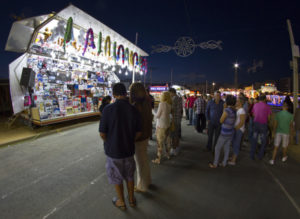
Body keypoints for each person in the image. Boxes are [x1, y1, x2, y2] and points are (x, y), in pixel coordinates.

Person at [99, 83, 142, 210]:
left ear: (114, 94)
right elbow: (139, 132)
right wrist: (129, 140)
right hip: (129, 151)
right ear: (125, 93)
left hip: (114, 151)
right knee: (129, 175)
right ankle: (132, 200)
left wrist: (111, 141)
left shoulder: (107, 109)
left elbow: (102, 133)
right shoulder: (134, 109)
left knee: (116, 176)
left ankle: (121, 202)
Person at [129, 83, 153, 192]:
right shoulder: (147, 102)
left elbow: (134, 123)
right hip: (146, 134)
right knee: (144, 160)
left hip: (139, 136)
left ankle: (142, 186)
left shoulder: (135, 105)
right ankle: (147, 181)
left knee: (139, 162)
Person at [209, 95, 236, 168]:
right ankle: (224, 163)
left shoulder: (227, 110)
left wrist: (224, 108)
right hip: (230, 132)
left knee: (217, 148)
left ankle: (215, 163)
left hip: (224, 132)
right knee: (226, 148)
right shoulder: (234, 110)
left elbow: (221, 120)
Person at [152, 91, 172, 164]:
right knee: (167, 141)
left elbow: (158, 116)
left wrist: (153, 111)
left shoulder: (161, 104)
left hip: (161, 126)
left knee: (159, 143)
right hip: (167, 125)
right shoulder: (169, 105)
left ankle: (158, 159)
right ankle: (168, 154)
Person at [250, 95, 272, 160]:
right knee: (263, 142)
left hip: (256, 124)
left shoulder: (255, 105)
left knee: (254, 140)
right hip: (263, 125)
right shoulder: (267, 106)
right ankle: (260, 156)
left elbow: (253, 114)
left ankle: (252, 155)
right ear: (265, 99)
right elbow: (269, 117)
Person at [228, 97, 246, 165]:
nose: (236, 102)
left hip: (239, 130)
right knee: (234, 143)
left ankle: (234, 160)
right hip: (236, 129)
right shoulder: (238, 109)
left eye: (237, 101)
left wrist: (236, 128)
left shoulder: (242, 111)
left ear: (240, 103)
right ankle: (233, 157)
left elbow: (241, 122)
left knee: (236, 144)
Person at [169, 88, 183, 156]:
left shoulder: (174, 99)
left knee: (173, 135)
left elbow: (171, 109)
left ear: (172, 92)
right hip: (178, 119)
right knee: (176, 135)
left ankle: (174, 149)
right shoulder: (179, 98)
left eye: (169, 93)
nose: (169, 95)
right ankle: (177, 148)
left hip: (174, 120)